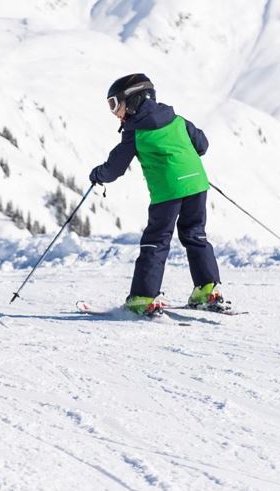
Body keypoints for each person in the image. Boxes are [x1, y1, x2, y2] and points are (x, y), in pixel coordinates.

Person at [89, 73, 225, 315]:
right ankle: (208, 291)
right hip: (196, 184)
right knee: (195, 235)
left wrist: (98, 174)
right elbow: (202, 145)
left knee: (156, 240)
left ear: (132, 101)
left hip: (168, 191)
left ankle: (143, 297)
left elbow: (115, 167)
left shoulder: (135, 131)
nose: (115, 113)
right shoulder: (178, 120)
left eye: (115, 104)